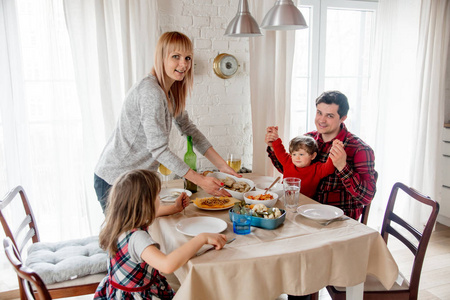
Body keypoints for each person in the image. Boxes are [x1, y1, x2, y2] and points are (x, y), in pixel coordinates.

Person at [94, 31, 237, 212]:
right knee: (127, 239)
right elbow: (159, 149)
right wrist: (201, 181)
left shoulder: (169, 92)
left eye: (187, 58)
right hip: (115, 179)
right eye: (175, 57)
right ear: (161, 57)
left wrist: (222, 165)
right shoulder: (150, 92)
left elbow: (189, 129)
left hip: (136, 180)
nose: (183, 64)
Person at [94, 169, 227, 300]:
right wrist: (202, 238)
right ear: (145, 203)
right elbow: (167, 265)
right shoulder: (137, 238)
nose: (159, 199)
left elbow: (150, 215)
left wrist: (174, 208)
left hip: (117, 289)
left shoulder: (118, 222)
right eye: (157, 196)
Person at [265, 91, 377, 220]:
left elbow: (366, 197)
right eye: (319, 113)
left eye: (329, 115)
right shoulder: (308, 139)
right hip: (304, 211)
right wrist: (273, 147)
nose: (321, 120)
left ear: (343, 118)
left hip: (338, 220)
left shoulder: (360, 149)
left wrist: (342, 166)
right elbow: (289, 169)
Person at [268, 133, 340, 198]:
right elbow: (280, 151)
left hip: (306, 203)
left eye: (301, 154)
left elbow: (329, 169)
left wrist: (334, 150)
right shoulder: (288, 161)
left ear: (313, 156)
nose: (297, 157)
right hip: (285, 198)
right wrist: (275, 139)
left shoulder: (316, 168)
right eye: (294, 154)